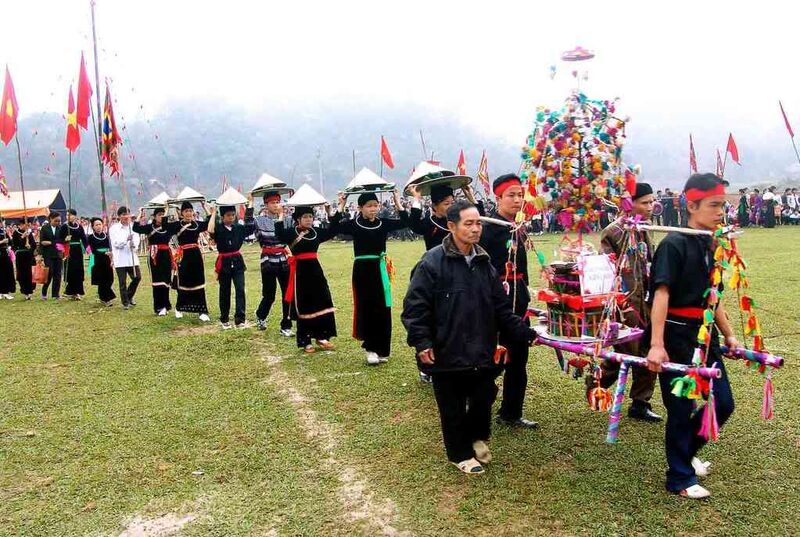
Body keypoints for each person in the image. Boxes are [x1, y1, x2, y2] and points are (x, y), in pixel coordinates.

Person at [402, 200, 536, 475]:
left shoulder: (484, 263)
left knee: (483, 395)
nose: (476, 229)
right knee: (451, 404)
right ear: (451, 226)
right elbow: (415, 308)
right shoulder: (432, 263)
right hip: (446, 346)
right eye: (469, 224)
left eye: (479, 224)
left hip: (481, 345)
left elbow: (501, 308)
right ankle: (459, 454)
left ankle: (476, 436)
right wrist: (422, 341)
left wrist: (526, 333)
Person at [645, 173, 740, 499]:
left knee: (723, 403)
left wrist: (729, 336)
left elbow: (714, 297)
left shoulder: (712, 244)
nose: (720, 212)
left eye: (722, 205)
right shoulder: (673, 244)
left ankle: (687, 452)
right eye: (714, 205)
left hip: (705, 336)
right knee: (681, 408)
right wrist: (657, 345)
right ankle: (679, 478)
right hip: (675, 338)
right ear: (691, 205)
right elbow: (661, 296)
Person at [598, 183, 662, 422]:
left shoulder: (646, 228)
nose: (650, 206)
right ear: (630, 203)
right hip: (624, 303)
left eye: (651, 202)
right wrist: (620, 302)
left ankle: (640, 403)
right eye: (644, 202)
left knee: (648, 350)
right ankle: (597, 384)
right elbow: (606, 270)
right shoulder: (613, 231)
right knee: (624, 352)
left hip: (648, 299)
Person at [479, 174, 538, 429]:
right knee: (491, 359)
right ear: (498, 198)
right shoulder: (487, 228)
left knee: (518, 358)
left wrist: (524, 292)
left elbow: (522, 267)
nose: (517, 200)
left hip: (518, 300)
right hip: (495, 303)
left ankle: (511, 413)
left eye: (519, 195)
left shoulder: (517, 226)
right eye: (510, 195)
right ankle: (475, 405)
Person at [330, 189, 409, 365]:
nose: (373, 209)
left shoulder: (384, 223)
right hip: (362, 270)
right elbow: (333, 227)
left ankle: (382, 349)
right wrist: (341, 204)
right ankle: (370, 349)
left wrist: (397, 201)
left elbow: (406, 221)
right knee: (367, 307)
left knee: (383, 307)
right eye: (369, 206)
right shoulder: (354, 224)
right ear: (360, 208)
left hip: (380, 269)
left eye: (376, 205)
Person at [276, 205, 337, 353]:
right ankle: (305, 340)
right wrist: (280, 215)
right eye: (305, 217)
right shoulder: (292, 233)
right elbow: (279, 233)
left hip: (316, 271)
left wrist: (329, 212)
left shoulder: (316, 233)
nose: (308, 219)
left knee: (322, 300)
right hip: (300, 273)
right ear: (298, 219)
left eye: (310, 216)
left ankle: (322, 337)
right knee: (304, 304)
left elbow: (333, 230)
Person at [207, 203, 256, 329]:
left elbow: (250, 226)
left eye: (233, 215)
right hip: (224, 262)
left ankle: (240, 319)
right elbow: (210, 230)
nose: (231, 217)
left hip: (238, 261)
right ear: (223, 217)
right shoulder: (218, 228)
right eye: (228, 215)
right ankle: (224, 319)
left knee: (240, 289)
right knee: (225, 291)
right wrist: (213, 213)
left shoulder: (238, 228)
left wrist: (250, 205)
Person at [253, 191, 293, 336]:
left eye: (278, 202)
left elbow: (290, 236)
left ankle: (286, 325)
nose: (276, 205)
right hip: (268, 260)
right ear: (266, 205)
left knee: (287, 294)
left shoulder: (288, 220)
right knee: (269, 295)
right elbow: (247, 223)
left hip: (284, 259)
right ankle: (261, 315)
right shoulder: (259, 220)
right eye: (273, 203)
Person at [165, 201, 211, 321]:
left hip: (196, 255)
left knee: (199, 281)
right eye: (186, 211)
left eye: (190, 211)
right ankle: (179, 308)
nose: (189, 213)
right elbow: (165, 226)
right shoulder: (176, 225)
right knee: (184, 282)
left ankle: (202, 311)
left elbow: (209, 222)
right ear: (181, 213)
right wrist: (166, 208)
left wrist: (204, 206)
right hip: (183, 256)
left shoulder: (197, 224)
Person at [134, 206, 174, 316]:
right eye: (159, 214)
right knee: (157, 281)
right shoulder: (149, 227)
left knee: (166, 280)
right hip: (154, 256)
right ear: (154, 216)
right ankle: (159, 307)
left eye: (163, 214)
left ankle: (166, 305)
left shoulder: (168, 227)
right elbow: (135, 228)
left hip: (166, 255)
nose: (161, 216)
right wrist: (140, 214)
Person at [109, 206, 142, 310]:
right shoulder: (114, 228)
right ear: (119, 216)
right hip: (120, 259)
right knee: (122, 282)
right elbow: (116, 243)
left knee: (137, 277)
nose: (126, 216)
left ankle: (129, 296)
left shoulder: (133, 227)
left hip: (132, 258)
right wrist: (126, 240)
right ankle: (125, 302)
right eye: (123, 214)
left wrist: (134, 245)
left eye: (127, 214)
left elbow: (137, 240)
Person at [87, 217, 116, 305]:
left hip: (107, 259)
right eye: (96, 225)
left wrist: (111, 253)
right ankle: (105, 299)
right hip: (98, 259)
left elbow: (111, 247)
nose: (98, 226)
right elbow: (92, 250)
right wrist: (103, 253)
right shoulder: (91, 237)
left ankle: (102, 295)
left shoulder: (107, 236)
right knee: (102, 279)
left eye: (100, 224)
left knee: (110, 278)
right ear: (93, 227)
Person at [61, 209, 88, 300]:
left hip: (78, 250)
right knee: (71, 270)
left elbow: (84, 239)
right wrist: (65, 239)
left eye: (70, 215)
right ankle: (70, 291)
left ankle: (77, 292)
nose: (67, 216)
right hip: (69, 250)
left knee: (78, 270)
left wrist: (88, 250)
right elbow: (59, 240)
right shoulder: (64, 227)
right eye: (67, 215)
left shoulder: (79, 227)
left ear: (75, 216)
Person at [38, 211, 65, 300]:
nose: (57, 223)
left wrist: (53, 242)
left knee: (58, 274)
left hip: (58, 254)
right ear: (50, 219)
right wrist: (40, 255)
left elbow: (61, 241)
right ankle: (44, 292)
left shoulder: (60, 228)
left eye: (59, 221)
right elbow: (42, 242)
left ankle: (55, 294)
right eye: (56, 221)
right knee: (49, 273)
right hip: (48, 254)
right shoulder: (45, 228)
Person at [11, 220, 36, 299]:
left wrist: (30, 247)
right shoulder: (16, 233)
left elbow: (34, 244)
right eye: (26, 225)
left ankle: (30, 291)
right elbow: (15, 245)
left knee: (30, 274)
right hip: (20, 256)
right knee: (22, 274)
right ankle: (25, 292)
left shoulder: (29, 233)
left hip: (29, 256)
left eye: (28, 225)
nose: (27, 226)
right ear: (21, 225)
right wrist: (22, 237)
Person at [0, 220, 15, 299]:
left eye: (4, 223)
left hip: (6, 254)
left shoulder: (4, 232)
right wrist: (2, 241)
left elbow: (11, 242)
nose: (3, 224)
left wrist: (9, 247)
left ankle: (6, 291)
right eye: (2, 222)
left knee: (7, 272)